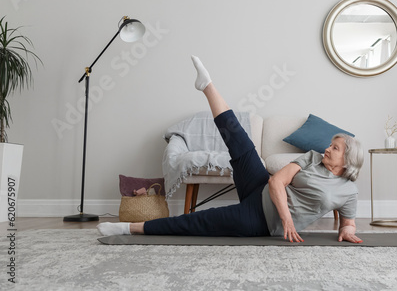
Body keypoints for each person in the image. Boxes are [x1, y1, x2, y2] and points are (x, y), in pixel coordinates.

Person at [97, 56, 364, 243]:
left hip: (260, 221)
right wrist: (289, 220)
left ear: (347, 160)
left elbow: (348, 221)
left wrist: (347, 230)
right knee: (241, 143)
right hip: (261, 188)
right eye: (331, 145)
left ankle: (128, 228)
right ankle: (207, 86)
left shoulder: (348, 192)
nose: (328, 149)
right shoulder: (313, 158)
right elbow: (276, 183)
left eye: (335, 148)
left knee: (197, 222)